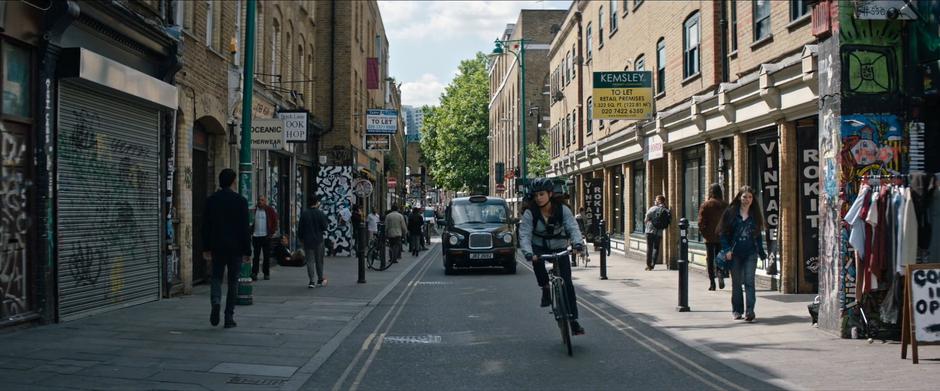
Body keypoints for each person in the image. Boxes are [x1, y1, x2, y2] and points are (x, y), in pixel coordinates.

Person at [520, 178, 587, 335]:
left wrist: (577, 244)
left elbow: (572, 227)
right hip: (539, 246)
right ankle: (545, 287)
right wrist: (528, 253)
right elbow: (524, 234)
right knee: (537, 263)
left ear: (550, 194)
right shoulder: (531, 212)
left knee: (567, 283)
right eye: (536, 195)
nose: (538, 198)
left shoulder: (562, 209)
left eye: (542, 194)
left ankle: (573, 321)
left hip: (559, 247)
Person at [201, 168, 250, 329]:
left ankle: (216, 301)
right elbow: (244, 228)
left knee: (216, 277)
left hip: (217, 247)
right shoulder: (241, 201)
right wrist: (247, 250)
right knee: (233, 281)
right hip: (235, 248)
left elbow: (206, 226)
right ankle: (229, 317)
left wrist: (206, 247)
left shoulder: (212, 200)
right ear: (233, 181)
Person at [718, 186, 767, 322]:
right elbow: (722, 233)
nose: (747, 199)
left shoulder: (755, 214)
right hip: (735, 254)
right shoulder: (731, 212)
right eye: (744, 196)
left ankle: (750, 311)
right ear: (739, 197)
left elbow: (757, 236)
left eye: (750, 197)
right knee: (737, 283)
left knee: (749, 282)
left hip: (750, 253)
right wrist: (727, 249)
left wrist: (762, 252)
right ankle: (737, 310)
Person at [698, 184, 728, 291]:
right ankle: (720, 275)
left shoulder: (706, 205)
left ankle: (712, 283)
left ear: (711, 191)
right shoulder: (725, 205)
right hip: (721, 236)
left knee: (710, 260)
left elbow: (701, 223)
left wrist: (704, 233)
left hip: (709, 237)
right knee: (720, 257)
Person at [298, 196, 330, 288]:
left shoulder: (304, 214)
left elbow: (300, 228)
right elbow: (325, 226)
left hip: (307, 240)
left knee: (310, 261)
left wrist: (301, 239)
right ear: (316, 203)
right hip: (318, 240)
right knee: (319, 260)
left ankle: (311, 281)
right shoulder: (320, 213)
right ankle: (320, 279)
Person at [250, 196, 278, 281]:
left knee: (266, 256)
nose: (260, 202)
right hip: (256, 236)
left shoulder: (269, 210)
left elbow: (275, 221)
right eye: (259, 200)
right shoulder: (254, 211)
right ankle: (254, 273)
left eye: (262, 200)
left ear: (265, 201)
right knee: (256, 256)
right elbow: (251, 222)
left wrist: (271, 233)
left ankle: (266, 273)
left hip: (266, 236)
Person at [643, 195, 671, 271]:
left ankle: (648, 265)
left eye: (655, 199)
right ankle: (653, 264)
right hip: (659, 232)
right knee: (656, 248)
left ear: (658, 201)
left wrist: (648, 221)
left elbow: (645, 219)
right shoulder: (666, 209)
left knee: (649, 248)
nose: (654, 201)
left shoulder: (653, 208)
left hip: (649, 231)